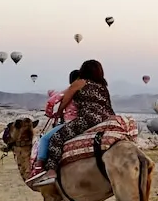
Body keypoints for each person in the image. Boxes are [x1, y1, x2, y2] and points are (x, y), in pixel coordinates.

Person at [26, 59, 115, 187]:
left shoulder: (80, 82)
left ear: (84, 70)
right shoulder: (103, 87)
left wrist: (58, 113)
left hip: (89, 119)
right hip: (107, 120)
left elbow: (64, 100)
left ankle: (51, 171)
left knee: (56, 138)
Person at [29, 69, 81, 177]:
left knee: (44, 139)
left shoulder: (68, 91)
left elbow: (50, 102)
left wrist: (50, 114)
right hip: (87, 122)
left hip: (70, 123)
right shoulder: (87, 92)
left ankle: (39, 166)